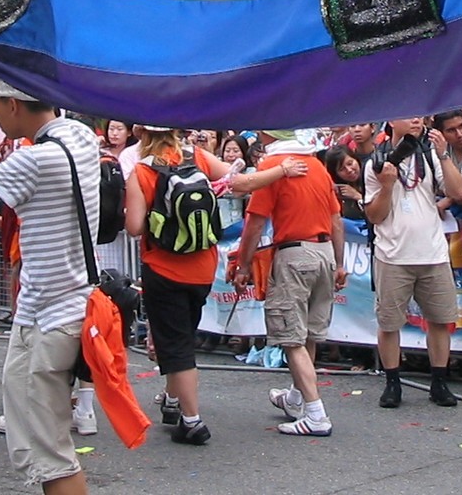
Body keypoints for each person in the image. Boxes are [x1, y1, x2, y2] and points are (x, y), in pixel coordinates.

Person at [0, 73, 97, 494]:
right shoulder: (78, 135)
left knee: (51, 456)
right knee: (47, 446)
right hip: (62, 310)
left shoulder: (35, 160)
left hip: (48, 319)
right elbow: (25, 91)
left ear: (15, 106)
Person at [232, 129, 347, 437]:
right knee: (307, 334)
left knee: (291, 338)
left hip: (296, 253)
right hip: (324, 253)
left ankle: (315, 413)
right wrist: (339, 263)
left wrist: (243, 264)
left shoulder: (274, 166)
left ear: (268, 138)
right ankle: (297, 398)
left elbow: (255, 221)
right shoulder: (318, 167)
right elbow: (336, 220)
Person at [124, 123, 229, 444]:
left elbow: (133, 227)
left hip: (164, 268)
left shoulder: (141, 172)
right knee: (181, 335)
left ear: (143, 134)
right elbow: (234, 175)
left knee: (177, 344)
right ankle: (172, 401)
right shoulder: (198, 157)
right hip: (203, 266)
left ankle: (192, 420)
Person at [364, 115, 462, 408]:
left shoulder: (430, 154)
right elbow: (375, 216)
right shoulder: (377, 162)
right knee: (389, 323)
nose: (416, 119)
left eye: (419, 114)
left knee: (439, 320)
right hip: (392, 255)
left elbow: (458, 192)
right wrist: (386, 186)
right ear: (391, 121)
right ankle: (392, 382)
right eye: (408, 115)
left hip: (432, 252)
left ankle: (439, 381)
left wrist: (444, 154)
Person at [324, 146, 366, 221]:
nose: (349, 170)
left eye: (350, 163)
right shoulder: (337, 190)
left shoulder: (371, 177)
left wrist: (357, 196)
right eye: (342, 169)